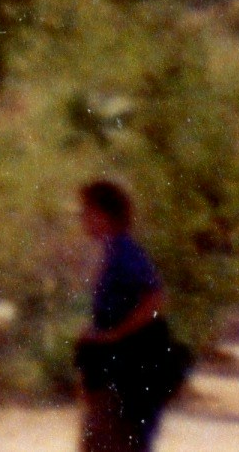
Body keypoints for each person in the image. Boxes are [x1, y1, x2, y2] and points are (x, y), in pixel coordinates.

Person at [66, 177, 190, 452]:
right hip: (115, 372)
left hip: (126, 376)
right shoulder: (114, 252)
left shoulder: (125, 252)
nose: (82, 218)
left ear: (102, 214)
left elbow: (155, 299)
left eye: (86, 211)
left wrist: (114, 335)